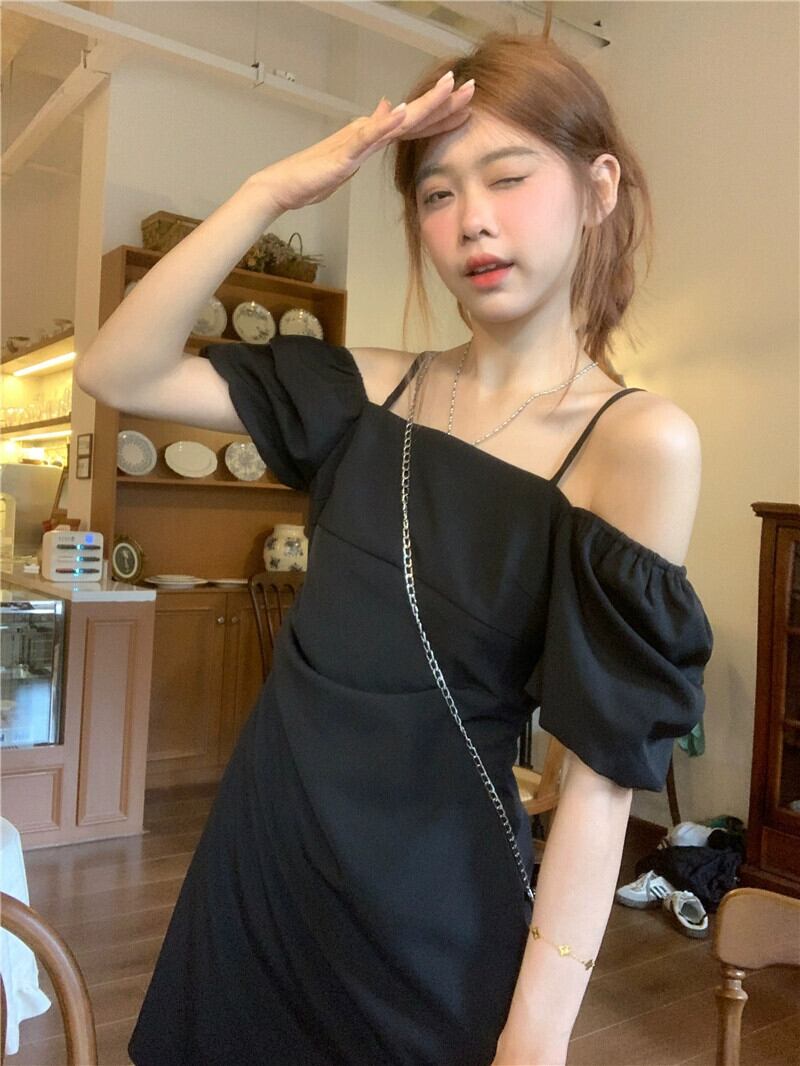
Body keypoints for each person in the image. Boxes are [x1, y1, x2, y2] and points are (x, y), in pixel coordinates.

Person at [76, 31, 714, 1066]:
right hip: (261, 874)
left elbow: (603, 780)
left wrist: (537, 1035)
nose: (472, 220)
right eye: (436, 193)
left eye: (508, 177)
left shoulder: (637, 443)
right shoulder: (367, 391)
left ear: (597, 188)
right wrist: (271, 190)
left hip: (429, 921)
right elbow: (120, 368)